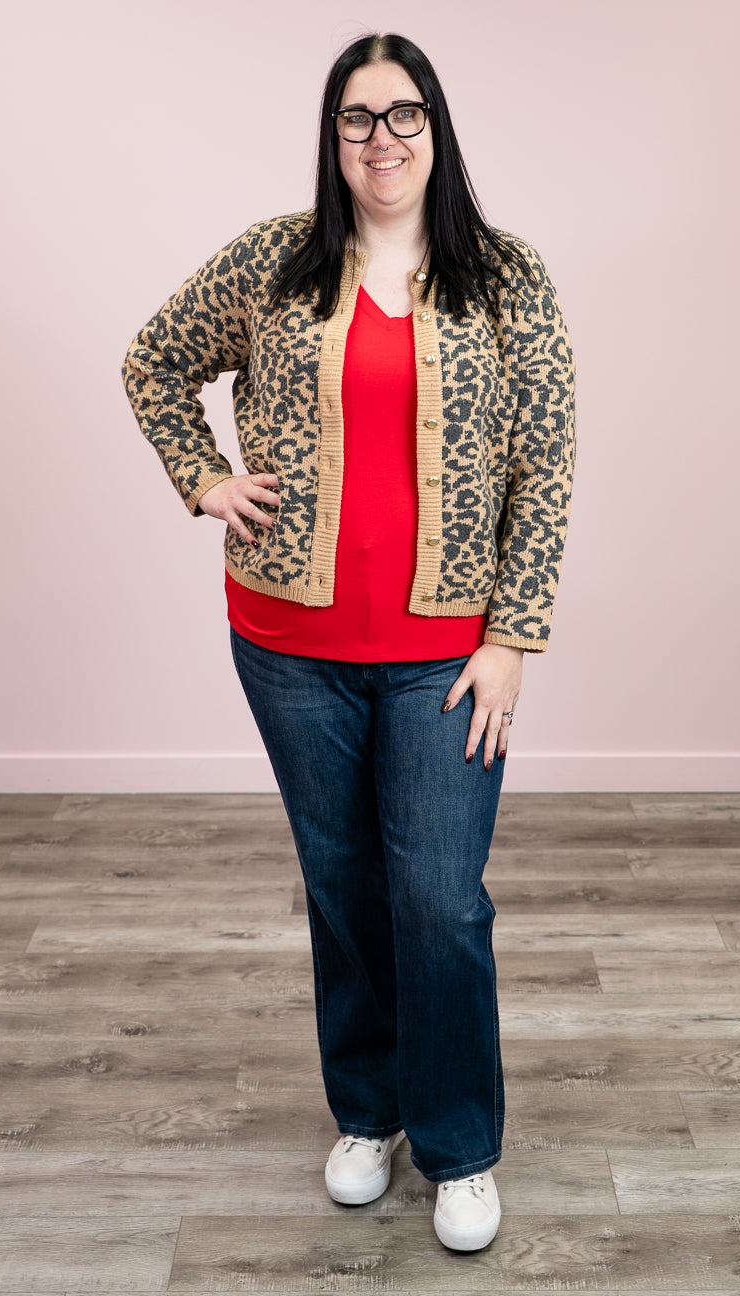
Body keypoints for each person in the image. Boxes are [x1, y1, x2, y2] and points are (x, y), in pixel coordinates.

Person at [122, 32, 574, 1252]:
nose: (383, 138)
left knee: (439, 901)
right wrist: (206, 478)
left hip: (447, 657)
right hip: (288, 644)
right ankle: (368, 1114)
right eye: (358, 117)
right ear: (333, 137)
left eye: (404, 113)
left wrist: (514, 635)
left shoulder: (506, 277)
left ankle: (460, 1145)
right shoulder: (274, 263)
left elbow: (547, 463)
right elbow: (153, 361)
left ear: (437, 126)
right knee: (343, 887)